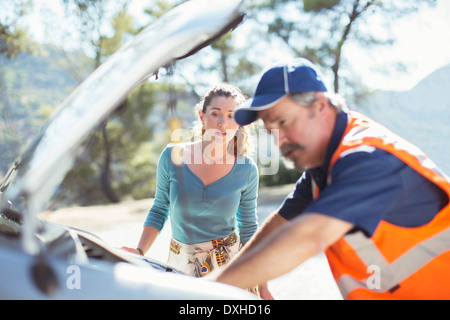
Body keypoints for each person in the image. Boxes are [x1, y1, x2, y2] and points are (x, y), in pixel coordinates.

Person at [212, 58, 450, 299]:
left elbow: (308, 236)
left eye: (283, 122)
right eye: (272, 129)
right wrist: (216, 286)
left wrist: (201, 295)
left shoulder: (368, 159)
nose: (279, 140)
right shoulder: (322, 169)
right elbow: (279, 226)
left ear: (320, 106)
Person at [122, 83, 261, 294]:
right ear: (202, 116)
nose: (223, 123)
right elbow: (160, 209)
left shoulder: (247, 170)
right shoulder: (171, 156)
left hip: (230, 268)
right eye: (216, 114)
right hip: (181, 264)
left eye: (232, 116)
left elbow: (249, 229)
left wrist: (264, 286)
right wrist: (139, 251)